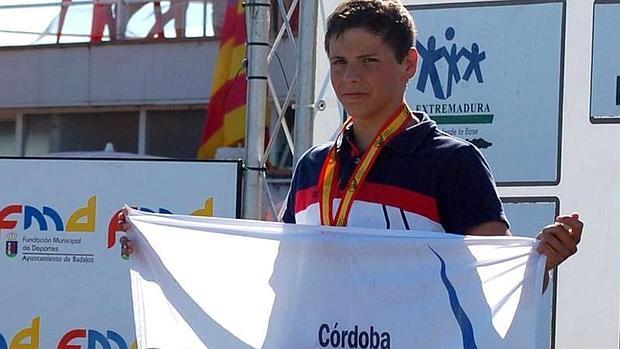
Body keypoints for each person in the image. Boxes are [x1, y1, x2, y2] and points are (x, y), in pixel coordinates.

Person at [121, 0, 582, 283]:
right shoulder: (311, 166)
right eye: (338, 62)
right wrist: (158, 253)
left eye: (368, 60)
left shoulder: (454, 161)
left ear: (410, 64)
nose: (350, 77)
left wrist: (541, 256)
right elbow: (281, 273)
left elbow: (492, 275)